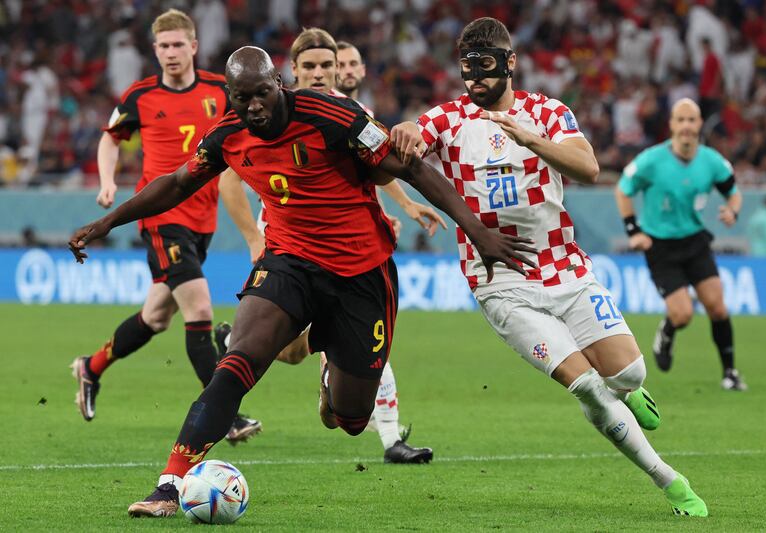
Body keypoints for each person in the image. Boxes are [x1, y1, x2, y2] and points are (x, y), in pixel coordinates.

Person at [68, 45, 533, 518]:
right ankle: (169, 484)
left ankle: (330, 369)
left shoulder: (333, 116)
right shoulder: (228, 133)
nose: (254, 107)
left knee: (350, 420)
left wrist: (477, 232)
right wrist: (110, 222)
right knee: (238, 359)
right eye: (242, 97)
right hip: (289, 261)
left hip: (361, 272)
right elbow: (177, 182)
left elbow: (410, 167)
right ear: (230, 96)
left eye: (263, 94)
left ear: (280, 83)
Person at [391, 18, 707, 517]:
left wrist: (532, 140)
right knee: (584, 384)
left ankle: (631, 390)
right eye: (466, 69)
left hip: (565, 269)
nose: (474, 79)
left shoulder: (546, 112)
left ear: (510, 63)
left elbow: (588, 167)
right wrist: (406, 128)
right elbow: (409, 142)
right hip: (500, 283)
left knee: (627, 372)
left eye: (486, 67)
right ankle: (669, 479)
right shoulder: (448, 118)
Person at [216, 29, 440, 464]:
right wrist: (253, 238)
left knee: (305, 350)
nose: (318, 73)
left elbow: (375, 169)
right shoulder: (267, 113)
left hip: (344, 241)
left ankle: (237, 345)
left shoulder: (352, 111)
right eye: (310, 66)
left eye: (326, 65)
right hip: (289, 241)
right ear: (292, 71)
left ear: (339, 68)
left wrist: (405, 206)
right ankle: (389, 438)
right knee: (309, 347)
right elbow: (229, 179)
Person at [69, 9, 261, 444]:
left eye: (178, 44)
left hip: (202, 220)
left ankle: (90, 367)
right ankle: (224, 415)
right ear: (154, 51)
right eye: (163, 46)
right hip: (161, 217)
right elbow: (110, 138)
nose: (171, 53)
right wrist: (106, 183)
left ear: (194, 46)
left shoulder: (219, 89)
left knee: (156, 316)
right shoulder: (139, 96)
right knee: (200, 311)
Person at [615, 97, 747, 392]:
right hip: (660, 246)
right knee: (683, 314)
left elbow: (733, 193)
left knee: (718, 307)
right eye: (681, 120)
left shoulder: (712, 161)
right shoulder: (651, 160)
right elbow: (623, 190)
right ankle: (668, 330)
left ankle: (730, 372)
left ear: (699, 124)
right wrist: (633, 230)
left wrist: (733, 210)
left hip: (695, 241)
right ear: (672, 125)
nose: (687, 126)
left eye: (692, 120)